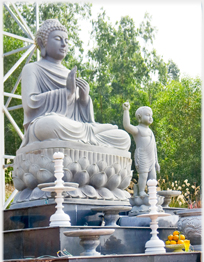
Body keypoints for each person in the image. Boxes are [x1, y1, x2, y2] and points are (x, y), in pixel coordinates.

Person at [20, 19, 130, 150]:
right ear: (42, 43)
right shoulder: (32, 69)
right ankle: (90, 134)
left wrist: (83, 100)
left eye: (66, 41)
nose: (63, 44)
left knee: (123, 138)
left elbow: (79, 116)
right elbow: (29, 104)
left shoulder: (68, 73)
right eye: (58, 39)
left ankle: (90, 133)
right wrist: (66, 93)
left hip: (75, 126)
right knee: (49, 124)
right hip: (51, 125)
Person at [123, 101, 160, 197]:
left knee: (153, 177)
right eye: (147, 115)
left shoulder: (150, 131)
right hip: (142, 156)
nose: (150, 117)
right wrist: (126, 110)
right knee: (143, 176)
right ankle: (141, 192)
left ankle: (152, 193)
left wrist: (156, 162)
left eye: (151, 115)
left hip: (151, 157)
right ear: (139, 117)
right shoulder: (138, 130)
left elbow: (154, 148)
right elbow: (127, 126)